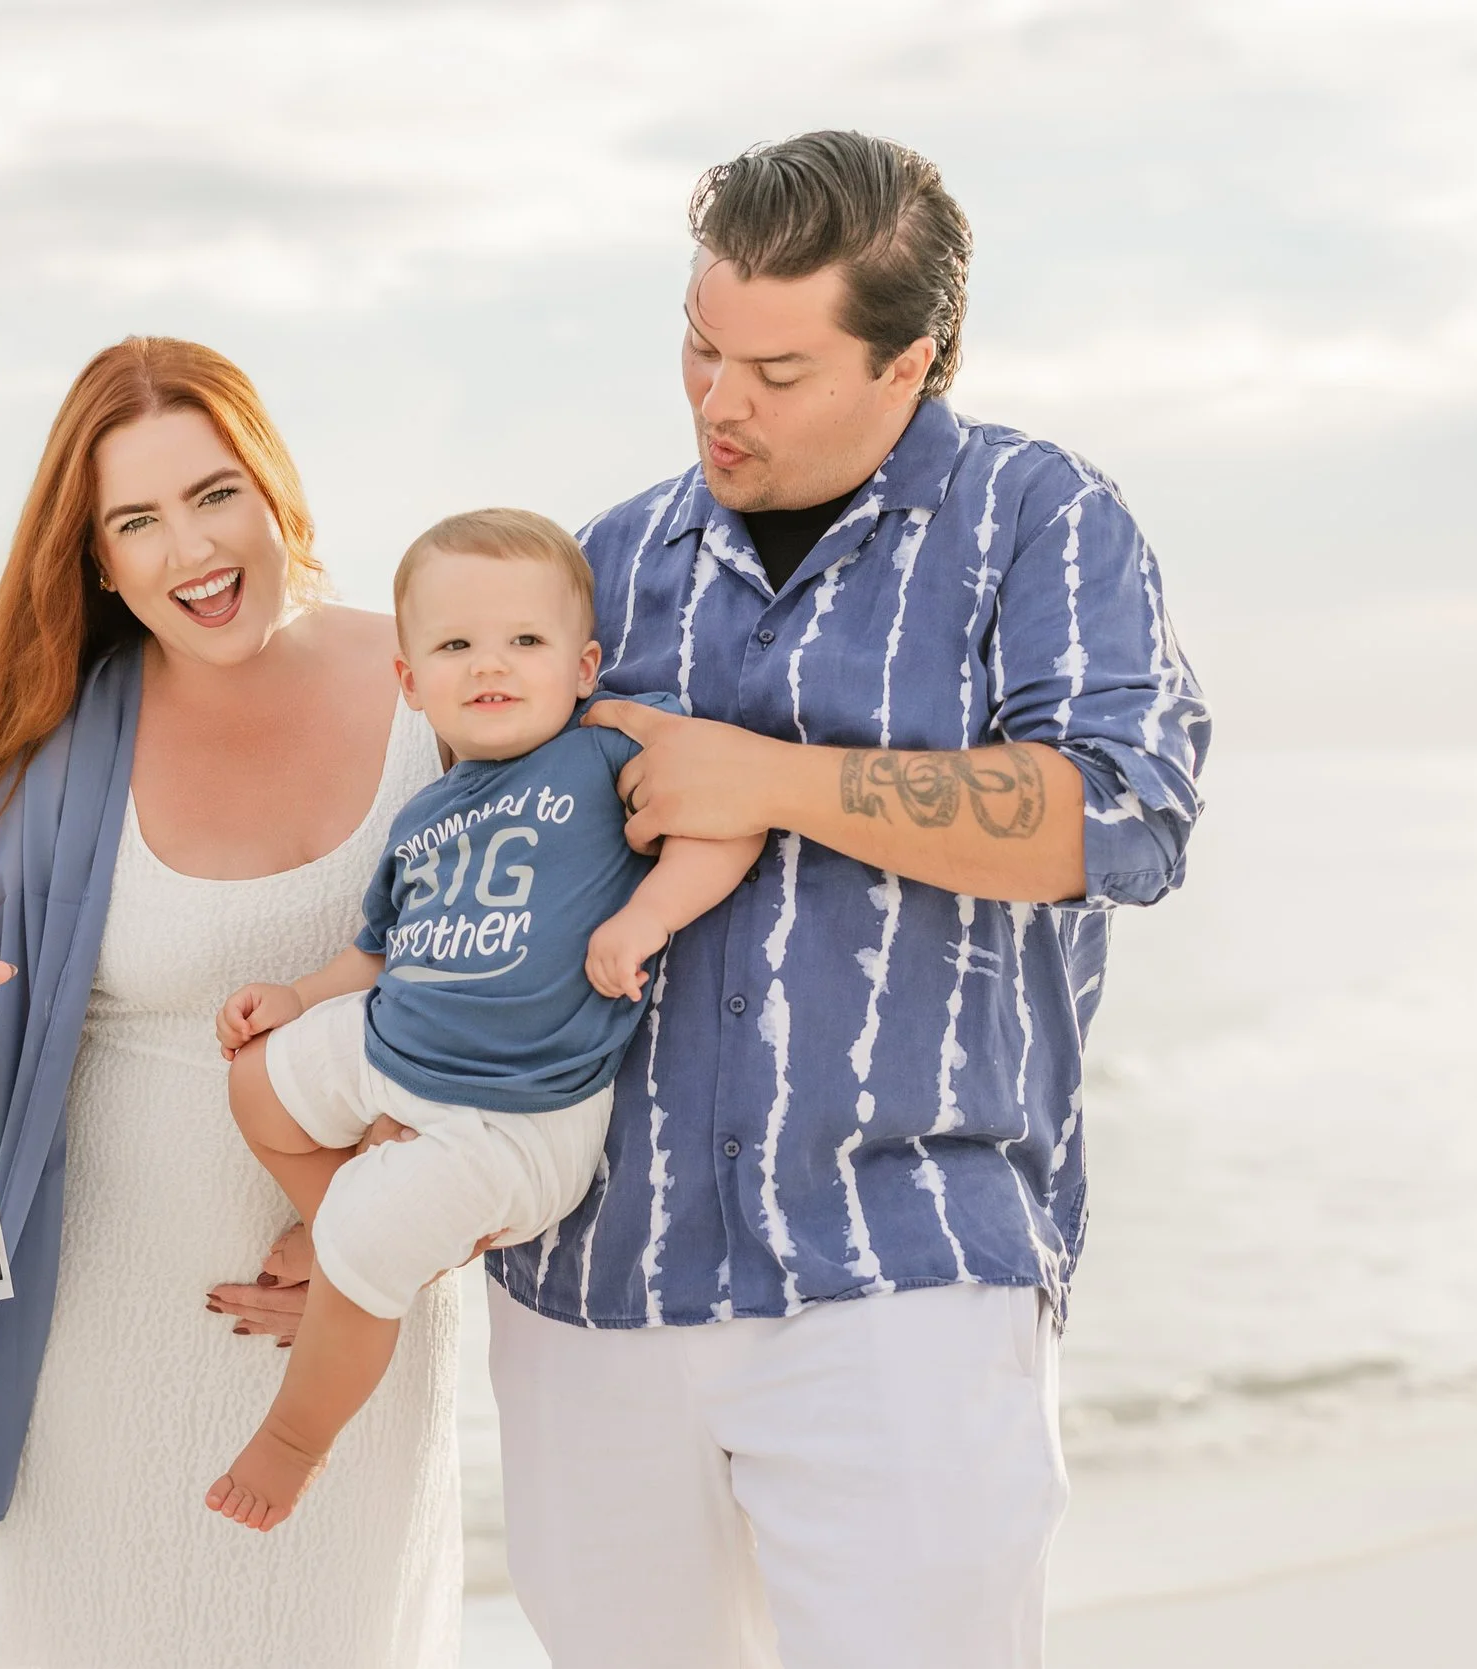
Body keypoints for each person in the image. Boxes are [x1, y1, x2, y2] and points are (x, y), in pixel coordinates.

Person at [483, 131, 1214, 1666]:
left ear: (913, 364)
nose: (718, 401)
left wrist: (769, 780)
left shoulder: (1044, 516)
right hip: (591, 1276)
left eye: (779, 368)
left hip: (908, 1264)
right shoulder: (604, 562)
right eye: (698, 347)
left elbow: (1129, 814)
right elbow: (475, 873)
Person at [0, 336, 462, 1667]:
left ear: (276, 486)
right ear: (97, 561)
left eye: (214, 492)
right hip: (88, 1367)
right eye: (137, 519)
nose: (191, 550)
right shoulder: (59, 751)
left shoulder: (440, 689)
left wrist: (400, 1229)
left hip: (346, 1347)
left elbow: (536, 1016)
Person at [203, 509, 761, 1530]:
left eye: (525, 642)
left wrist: (645, 916)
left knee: (377, 1224)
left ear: (583, 664)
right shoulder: (427, 810)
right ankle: (341, 1234)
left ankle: (296, 1438)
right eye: (455, 646)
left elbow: (728, 820)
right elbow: (374, 952)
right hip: (395, 1050)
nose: (490, 664)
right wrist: (293, 1001)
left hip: (518, 1117)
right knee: (256, 1077)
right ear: (410, 682)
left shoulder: (602, 753)